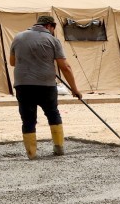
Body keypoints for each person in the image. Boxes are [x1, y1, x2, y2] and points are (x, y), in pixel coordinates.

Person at [8, 15, 82, 160]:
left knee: (28, 119)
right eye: (53, 29)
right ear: (49, 26)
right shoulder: (52, 40)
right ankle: (59, 148)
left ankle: (31, 153)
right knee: (53, 114)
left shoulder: (18, 37)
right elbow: (65, 67)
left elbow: (12, 62)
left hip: (23, 85)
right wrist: (74, 89)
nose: (52, 31)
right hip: (46, 85)